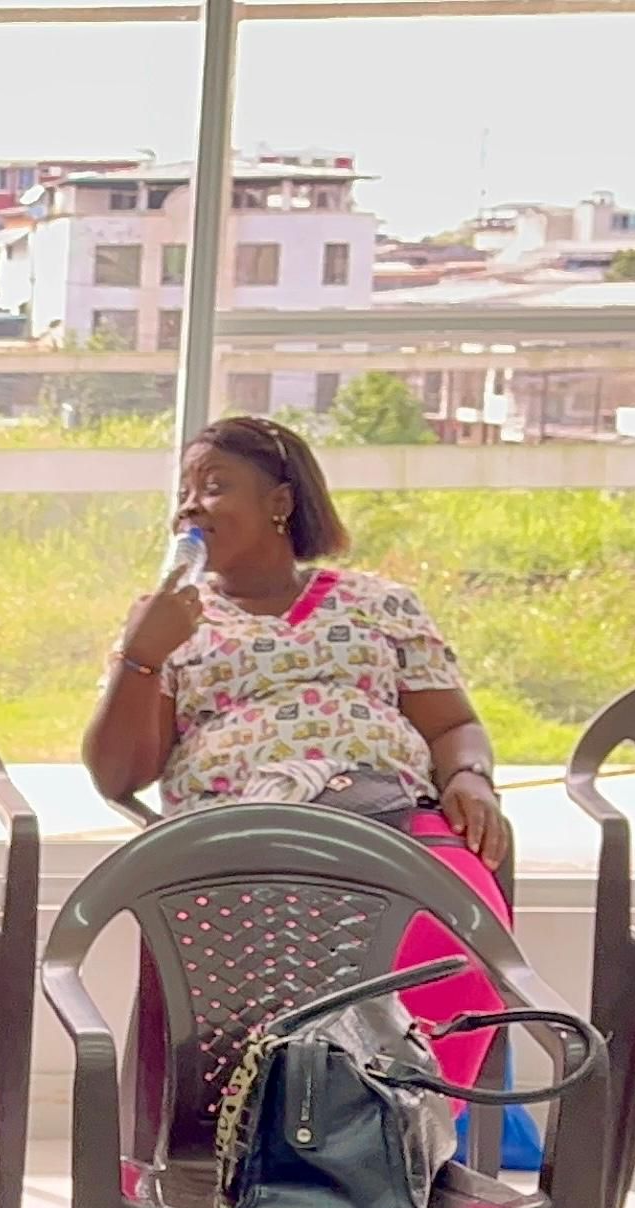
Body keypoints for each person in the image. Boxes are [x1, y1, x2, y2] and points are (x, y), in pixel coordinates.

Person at [83, 415, 512, 1082]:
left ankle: (407, 1124)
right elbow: (117, 776)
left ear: (279, 502)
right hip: (240, 841)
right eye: (184, 491)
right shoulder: (170, 623)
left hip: (389, 821)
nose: (189, 506)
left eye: (213, 486)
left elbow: (452, 725)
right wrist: (141, 657)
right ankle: (277, 1126)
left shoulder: (379, 603)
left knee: (461, 940)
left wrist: (470, 776)